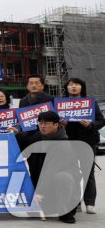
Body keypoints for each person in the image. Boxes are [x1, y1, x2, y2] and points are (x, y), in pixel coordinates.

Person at [8, 111, 83, 223]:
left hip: (61, 185)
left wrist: (39, 193)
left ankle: (66, 211)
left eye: (46, 123)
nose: (42, 126)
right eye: (40, 123)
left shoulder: (63, 144)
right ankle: (44, 205)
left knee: (63, 177)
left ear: (56, 125)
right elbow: (21, 138)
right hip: (42, 184)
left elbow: (51, 171)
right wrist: (13, 133)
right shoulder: (38, 136)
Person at [61, 78, 103, 214]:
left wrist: (91, 125)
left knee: (88, 172)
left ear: (81, 87)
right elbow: (52, 122)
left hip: (88, 141)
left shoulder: (90, 103)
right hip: (67, 142)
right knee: (71, 173)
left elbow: (101, 120)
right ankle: (75, 202)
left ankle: (90, 203)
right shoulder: (60, 104)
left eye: (76, 85)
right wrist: (60, 124)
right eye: (71, 85)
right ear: (66, 88)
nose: (73, 87)